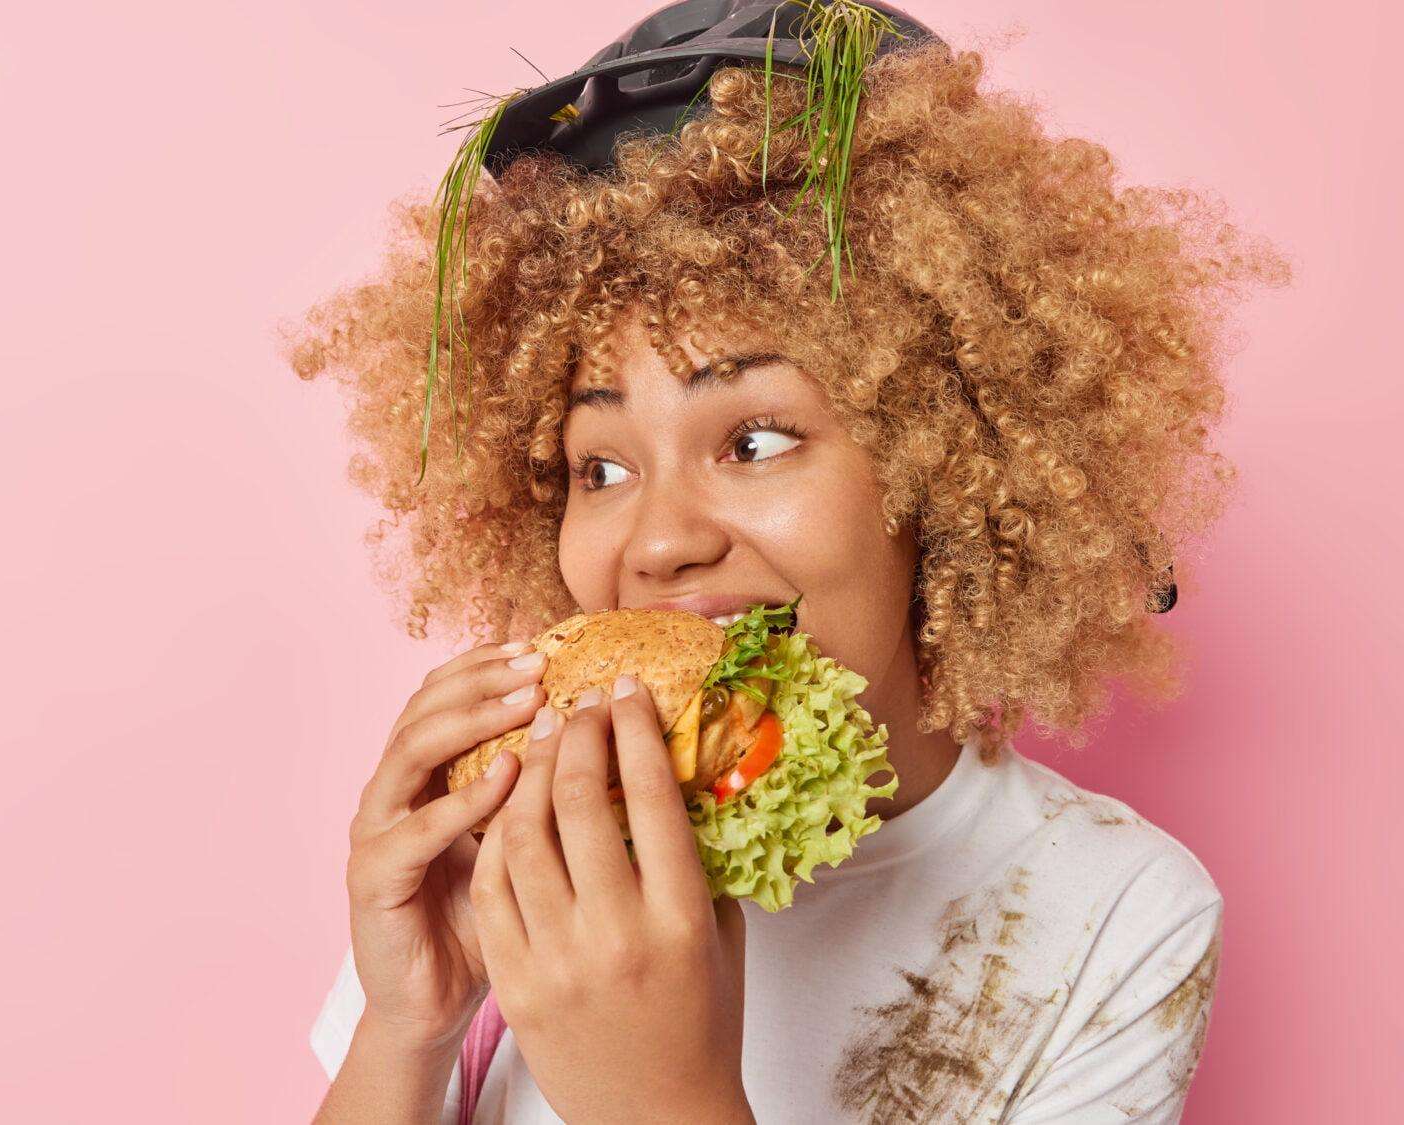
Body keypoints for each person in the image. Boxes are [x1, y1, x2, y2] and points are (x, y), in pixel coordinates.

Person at [279, 8, 1288, 1121]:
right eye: (597, 468)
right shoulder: (507, 844)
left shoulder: (1111, 911)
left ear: (946, 464)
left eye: (753, 442)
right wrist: (407, 1028)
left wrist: (661, 1097)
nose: (659, 541)